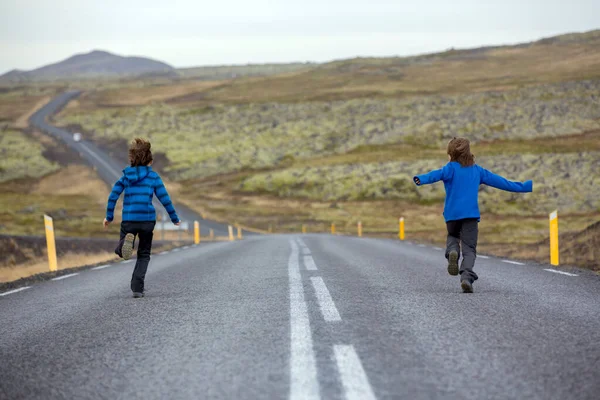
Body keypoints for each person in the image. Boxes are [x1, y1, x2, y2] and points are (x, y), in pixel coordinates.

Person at [413, 137, 532, 293]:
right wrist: (526, 186)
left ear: (451, 154)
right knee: (469, 248)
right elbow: (503, 182)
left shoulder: (449, 168)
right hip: (470, 215)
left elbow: (435, 174)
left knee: (453, 237)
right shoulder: (478, 170)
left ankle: (452, 252)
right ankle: (466, 278)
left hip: (452, 215)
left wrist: (420, 179)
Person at [103, 138, 180, 298]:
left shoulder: (125, 177)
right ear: (150, 161)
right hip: (147, 221)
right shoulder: (153, 177)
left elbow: (113, 196)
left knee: (123, 245)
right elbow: (164, 199)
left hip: (129, 220)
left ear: (131, 159)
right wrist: (174, 218)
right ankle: (137, 288)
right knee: (144, 254)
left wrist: (109, 217)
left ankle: (123, 246)